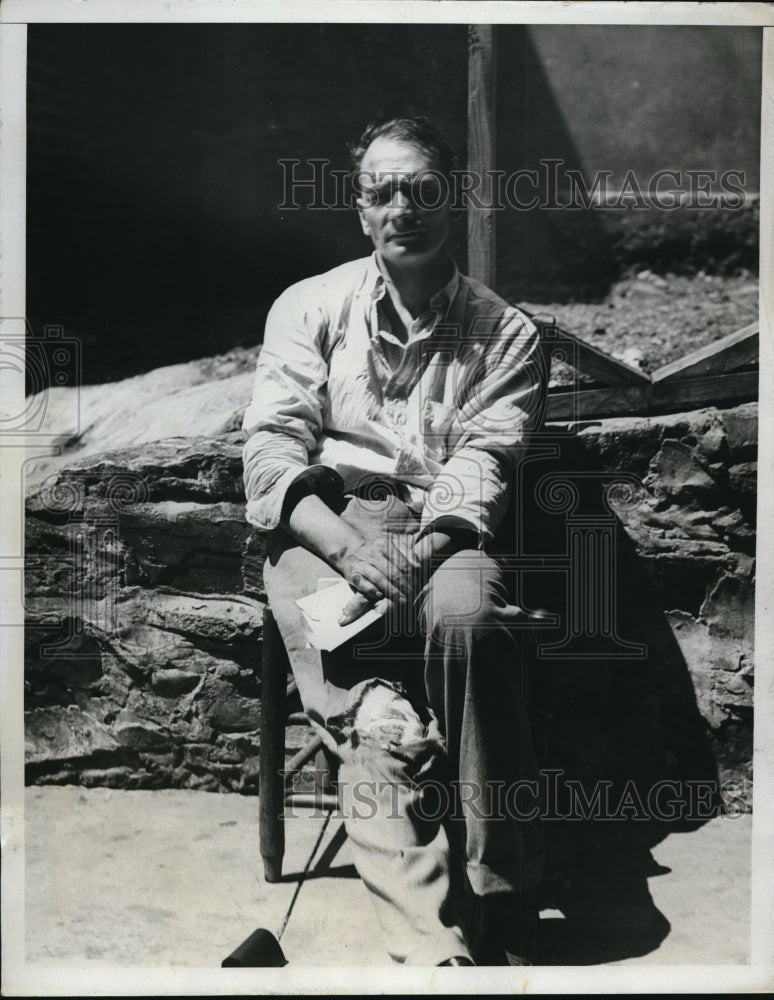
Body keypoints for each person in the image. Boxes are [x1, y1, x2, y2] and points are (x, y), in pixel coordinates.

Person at [242, 116, 548, 966]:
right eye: (382, 192)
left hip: (445, 530)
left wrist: (417, 551)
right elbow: (271, 450)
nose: (402, 208)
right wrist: (344, 546)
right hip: (326, 523)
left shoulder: (508, 333)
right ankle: (440, 951)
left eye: (421, 189)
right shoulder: (308, 305)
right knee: (383, 731)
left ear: (451, 198)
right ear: (360, 208)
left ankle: (504, 887)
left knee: (472, 626)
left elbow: (487, 456)